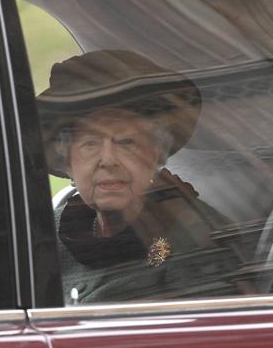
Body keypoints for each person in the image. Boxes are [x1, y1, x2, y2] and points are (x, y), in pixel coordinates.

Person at [37, 50, 241, 303]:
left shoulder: (198, 239)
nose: (108, 160)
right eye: (89, 144)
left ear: (155, 154)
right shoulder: (45, 232)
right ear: (67, 162)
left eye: (126, 143)